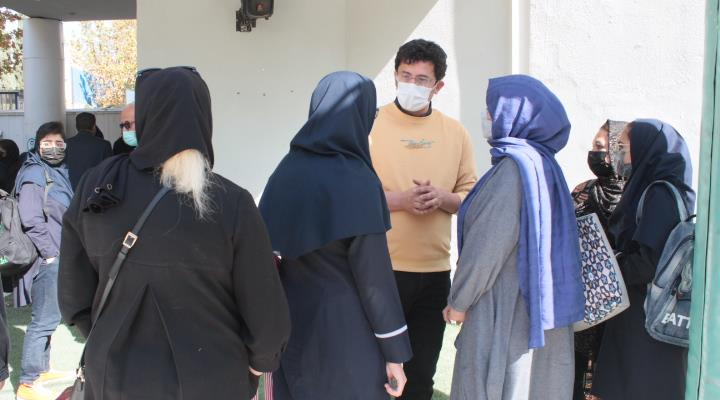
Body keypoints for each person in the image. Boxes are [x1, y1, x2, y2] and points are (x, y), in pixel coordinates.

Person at [58, 67, 291, 400]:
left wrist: (108, 336)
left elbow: (73, 294)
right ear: (203, 118)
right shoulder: (232, 202)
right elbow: (265, 309)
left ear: (146, 116)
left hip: (113, 378)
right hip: (214, 378)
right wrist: (259, 363)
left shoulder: (98, 188)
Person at [259, 71, 412, 400]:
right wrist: (395, 352)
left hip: (291, 326)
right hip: (347, 332)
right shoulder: (358, 180)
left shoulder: (284, 171)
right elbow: (374, 279)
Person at [444, 75, 585, 400]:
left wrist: (459, 301)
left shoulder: (513, 171)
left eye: (492, 109)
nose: (486, 116)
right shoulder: (543, 165)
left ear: (514, 115)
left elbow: (487, 247)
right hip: (534, 306)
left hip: (504, 307)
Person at [369, 39, 477, 400]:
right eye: (405, 75)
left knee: (421, 375)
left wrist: (445, 198)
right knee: (374, 372)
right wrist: (399, 200)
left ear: (438, 86)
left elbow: (472, 195)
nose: (411, 84)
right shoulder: (370, 124)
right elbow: (349, 195)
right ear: (395, 76)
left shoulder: (456, 133)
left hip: (434, 272)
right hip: (379, 268)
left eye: (421, 79)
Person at [591, 120, 694, 400]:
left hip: (643, 321)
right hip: (646, 317)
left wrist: (607, 268)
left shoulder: (660, 194)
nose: (620, 157)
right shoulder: (668, 190)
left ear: (648, 151)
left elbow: (648, 263)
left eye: (625, 149)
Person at [14, 121, 74, 400]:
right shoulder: (34, 174)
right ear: (37, 146)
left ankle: (43, 368)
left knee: (50, 314)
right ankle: (28, 382)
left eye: (59, 143)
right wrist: (50, 253)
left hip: (57, 251)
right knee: (43, 319)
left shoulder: (56, 172)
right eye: (47, 143)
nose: (54, 148)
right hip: (46, 257)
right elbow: (31, 219)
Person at [570, 120, 628, 400]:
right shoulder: (582, 190)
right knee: (575, 375)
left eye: (601, 147)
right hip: (581, 300)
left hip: (620, 306)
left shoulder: (635, 197)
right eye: (595, 146)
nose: (595, 153)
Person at [65, 112, 112, 189]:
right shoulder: (105, 145)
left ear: (76, 126)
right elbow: (109, 171)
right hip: (95, 191)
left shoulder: (66, 144)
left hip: (71, 191)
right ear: (94, 126)